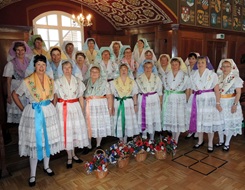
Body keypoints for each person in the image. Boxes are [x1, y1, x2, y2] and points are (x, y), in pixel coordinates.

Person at [12, 55, 62, 187]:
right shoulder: (27, 81)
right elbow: (15, 94)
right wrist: (24, 109)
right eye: (39, 64)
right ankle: (33, 173)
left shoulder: (51, 81)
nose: (41, 67)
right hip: (34, 113)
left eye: (43, 65)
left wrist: (53, 106)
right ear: (34, 66)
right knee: (35, 143)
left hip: (48, 112)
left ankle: (46, 166)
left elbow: (55, 95)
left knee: (48, 141)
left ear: (46, 66)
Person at [54, 60, 89, 168]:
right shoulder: (57, 82)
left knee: (74, 131)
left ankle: (74, 154)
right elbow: (55, 97)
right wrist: (54, 110)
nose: (67, 70)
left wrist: (83, 110)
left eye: (69, 68)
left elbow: (80, 97)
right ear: (62, 69)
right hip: (63, 108)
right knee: (67, 132)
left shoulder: (78, 81)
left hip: (75, 108)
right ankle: (69, 156)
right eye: (65, 68)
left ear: (72, 69)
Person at [186, 56, 223, 153]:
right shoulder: (193, 75)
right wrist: (188, 101)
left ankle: (210, 143)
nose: (200, 64)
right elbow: (190, 89)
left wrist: (218, 103)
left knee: (208, 121)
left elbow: (217, 90)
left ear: (206, 64)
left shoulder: (212, 75)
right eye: (198, 63)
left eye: (202, 62)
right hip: (196, 100)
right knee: (199, 121)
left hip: (208, 100)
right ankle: (200, 140)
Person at [83, 64, 113, 154]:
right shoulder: (85, 82)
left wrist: (110, 108)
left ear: (99, 74)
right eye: (92, 72)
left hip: (100, 105)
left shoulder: (104, 82)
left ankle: (98, 145)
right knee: (89, 125)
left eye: (96, 72)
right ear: (90, 72)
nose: (94, 73)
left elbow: (109, 96)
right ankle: (89, 145)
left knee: (98, 124)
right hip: (88, 106)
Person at [215, 59, 243, 151]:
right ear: (221, 68)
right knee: (220, 122)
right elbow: (216, 92)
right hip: (219, 102)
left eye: (228, 66)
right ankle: (221, 140)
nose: (225, 68)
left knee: (229, 123)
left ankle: (227, 143)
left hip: (230, 102)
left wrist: (235, 105)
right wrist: (217, 103)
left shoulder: (235, 78)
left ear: (231, 67)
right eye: (224, 66)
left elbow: (238, 93)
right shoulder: (218, 78)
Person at [161, 57, 190, 144]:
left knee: (178, 119)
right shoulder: (166, 75)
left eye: (176, 64)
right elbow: (163, 88)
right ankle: (172, 138)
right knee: (172, 118)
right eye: (173, 64)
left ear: (179, 65)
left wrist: (187, 100)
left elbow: (188, 89)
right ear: (170, 65)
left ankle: (176, 139)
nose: (174, 66)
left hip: (180, 99)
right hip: (169, 99)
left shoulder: (185, 76)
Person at [3, 41, 32, 123]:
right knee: (19, 116)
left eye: (22, 50)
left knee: (29, 113)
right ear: (14, 51)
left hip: (27, 88)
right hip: (15, 89)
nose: (20, 52)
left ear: (25, 51)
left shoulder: (30, 62)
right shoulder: (11, 64)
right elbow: (8, 81)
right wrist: (9, 95)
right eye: (18, 50)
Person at [110, 63, 140, 143]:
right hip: (118, 103)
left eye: (125, 69)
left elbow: (134, 94)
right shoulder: (113, 82)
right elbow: (112, 96)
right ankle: (121, 141)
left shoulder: (132, 82)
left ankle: (126, 141)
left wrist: (135, 105)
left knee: (127, 122)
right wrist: (111, 106)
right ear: (119, 71)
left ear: (128, 71)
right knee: (119, 121)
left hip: (128, 103)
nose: (123, 71)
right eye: (122, 69)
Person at [136, 60, 162, 140]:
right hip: (143, 99)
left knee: (152, 118)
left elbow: (160, 92)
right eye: (146, 67)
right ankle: (144, 136)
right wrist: (136, 104)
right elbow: (136, 92)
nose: (148, 69)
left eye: (150, 67)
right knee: (144, 117)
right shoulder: (139, 78)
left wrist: (160, 103)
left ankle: (152, 137)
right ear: (143, 68)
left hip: (153, 100)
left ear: (152, 68)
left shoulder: (156, 78)